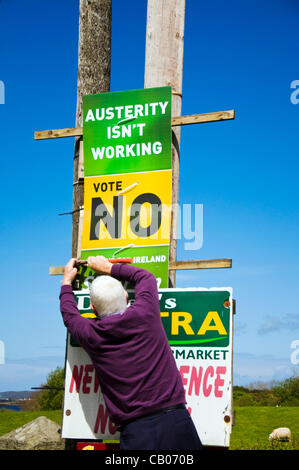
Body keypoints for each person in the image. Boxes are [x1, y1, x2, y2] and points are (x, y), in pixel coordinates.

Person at [60, 256, 202, 451]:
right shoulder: (146, 312)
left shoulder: (90, 333)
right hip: (176, 422)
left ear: (92, 309)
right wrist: (109, 267)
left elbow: (69, 315)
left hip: (136, 432)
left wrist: (67, 281)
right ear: (127, 297)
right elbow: (146, 277)